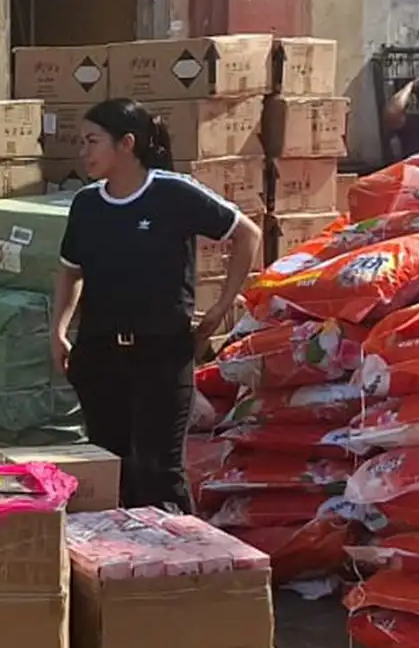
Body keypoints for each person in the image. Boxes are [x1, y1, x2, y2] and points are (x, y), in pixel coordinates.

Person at [53, 98, 262, 511]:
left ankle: (177, 565)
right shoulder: (87, 204)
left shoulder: (172, 192)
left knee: (160, 470)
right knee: (110, 464)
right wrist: (58, 330)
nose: (84, 152)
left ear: (126, 143)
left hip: (161, 353)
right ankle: (113, 564)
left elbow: (248, 235)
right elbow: (70, 271)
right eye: (82, 141)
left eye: (93, 141)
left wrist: (220, 308)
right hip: (100, 352)